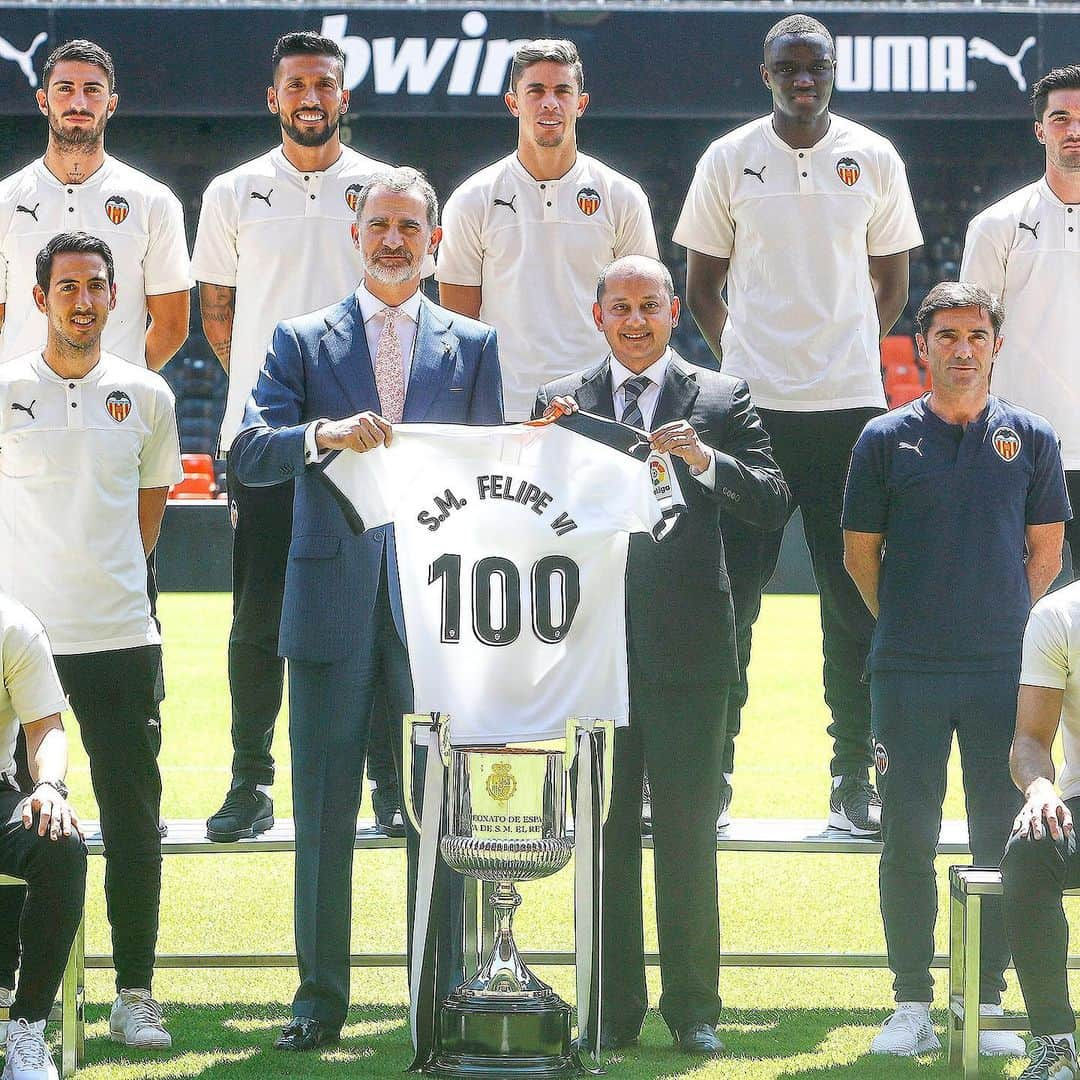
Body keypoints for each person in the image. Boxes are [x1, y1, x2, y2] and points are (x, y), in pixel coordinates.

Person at [230, 167, 503, 1052]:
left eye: (409, 226)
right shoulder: (302, 340)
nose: (393, 239)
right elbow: (247, 453)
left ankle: (449, 987)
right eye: (379, 223)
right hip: (329, 601)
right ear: (356, 233)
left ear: (432, 240)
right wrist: (324, 434)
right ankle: (319, 999)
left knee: (446, 813)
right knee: (322, 809)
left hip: (438, 612)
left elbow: (491, 478)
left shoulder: (475, 345)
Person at [673, 13, 922, 832]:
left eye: (815, 66)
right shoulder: (728, 158)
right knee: (731, 601)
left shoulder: (873, 156)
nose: (802, 78)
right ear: (765, 72)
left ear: (833, 70)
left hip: (851, 409)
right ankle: (712, 775)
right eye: (789, 67)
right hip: (749, 415)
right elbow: (702, 283)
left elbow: (892, 277)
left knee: (853, 602)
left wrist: (843, 349)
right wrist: (744, 359)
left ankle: (855, 779)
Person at [534, 255, 788, 1055]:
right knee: (602, 839)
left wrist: (705, 462)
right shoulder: (559, 402)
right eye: (621, 307)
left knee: (685, 835)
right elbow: (529, 513)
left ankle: (694, 1012)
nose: (636, 320)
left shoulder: (719, 396)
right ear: (597, 315)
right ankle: (611, 1008)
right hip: (588, 648)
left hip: (690, 646)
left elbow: (774, 498)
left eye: (649, 305)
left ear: (675, 310)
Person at [842, 281, 1070, 1058]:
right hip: (906, 669)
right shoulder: (883, 439)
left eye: (977, 335)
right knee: (906, 834)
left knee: (997, 837)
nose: (963, 349)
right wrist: (914, 623)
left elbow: (1045, 556)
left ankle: (985, 1000)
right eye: (947, 336)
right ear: (921, 346)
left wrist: (996, 627)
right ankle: (910, 1004)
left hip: (1003, 673)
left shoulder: (1032, 438)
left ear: (995, 345)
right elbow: (859, 557)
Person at [191, 31, 402, 844]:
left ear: (344, 97)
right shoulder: (233, 190)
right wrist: (278, 394)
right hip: (269, 441)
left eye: (324, 84)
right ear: (271, 97)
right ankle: (250, 782)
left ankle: (388, 785)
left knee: (379, 611)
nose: (310, 97)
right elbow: (220, 313)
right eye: (295, 85)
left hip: (371, 441)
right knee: (256, 618)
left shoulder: (378, 189)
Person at [0, 232, 182, 1050]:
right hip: (18, 647)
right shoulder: (3, 388)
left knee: (133, 819)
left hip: (118, 638)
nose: (83, 299)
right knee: (24, 818)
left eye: (97, 286)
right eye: (67, 285)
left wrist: (100, 582)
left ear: (115, 297)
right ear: (39, 299)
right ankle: (13, 995)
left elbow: (147, 520)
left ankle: (135, 992)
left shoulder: (147, 395)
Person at [437, 38, 658, 422]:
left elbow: (643, 312)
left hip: (601, 411)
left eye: (562, 91)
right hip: (504, 407)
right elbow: (459, 327)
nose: (549, 103)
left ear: (581, 103)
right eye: (536, 91)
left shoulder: (623, 196)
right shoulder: (472, 199)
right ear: (513, 103)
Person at [0, 38, 190, 370]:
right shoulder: (5, 200)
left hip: (116, 416)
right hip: (23, 412)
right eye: (64, 89)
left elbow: (172, 325)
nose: (78, 102)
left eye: (92, 90)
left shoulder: (154, 202)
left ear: (111, 104)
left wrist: (121, 384)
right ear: (43, 101)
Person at [960, 65, 1080, 574]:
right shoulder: (995, 226)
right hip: (1022, 447)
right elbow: (969, 341)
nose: (1074, 130)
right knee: (1021, 610)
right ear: (1040, 130)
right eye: (1060, 118)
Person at [0, 591, 85, 1080]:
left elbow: (45, 728)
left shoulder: (13, 626)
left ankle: (27, 1031)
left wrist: (50, 785)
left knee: (59, 841)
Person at [1001, 580, 1080, 1080]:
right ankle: (1056, 1045)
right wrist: (1041, 790)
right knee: (1031, 850)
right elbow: (1029, 740)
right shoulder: (1059, 614)